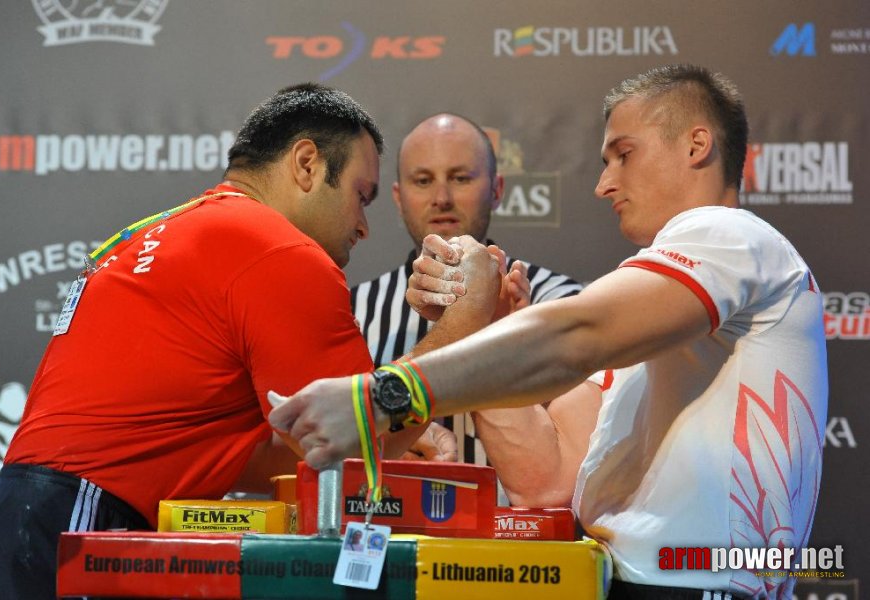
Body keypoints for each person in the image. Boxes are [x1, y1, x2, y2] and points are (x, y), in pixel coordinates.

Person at [270, 65, 828, 599]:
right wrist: (481, 322)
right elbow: (549, 480)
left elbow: (573, 335)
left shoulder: (727, 234)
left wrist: (383, 395)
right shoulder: (657, 311)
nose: (604, 184)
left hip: (698, 586)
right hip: (623, 582)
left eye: (622, 156)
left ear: (696, 145)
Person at [0, 83, 456, 599]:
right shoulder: (279, 250)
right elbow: (358, 446)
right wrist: (466, 323)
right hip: (84, 524)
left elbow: (260, 452)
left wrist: (395, 426)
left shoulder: (164, 229)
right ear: (307, 163)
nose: (363, 227)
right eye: (361, 196)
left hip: (35, 519)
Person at [351, 113, 582, 464]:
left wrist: (509, 335)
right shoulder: (355, 309)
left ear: (497, 189)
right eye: (423, 180)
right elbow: (340, 440)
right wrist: (392, 439)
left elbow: (578, 438)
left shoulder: (560, 300)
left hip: (517, 516)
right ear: (398, 198)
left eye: (460, 178)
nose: (442, 198)